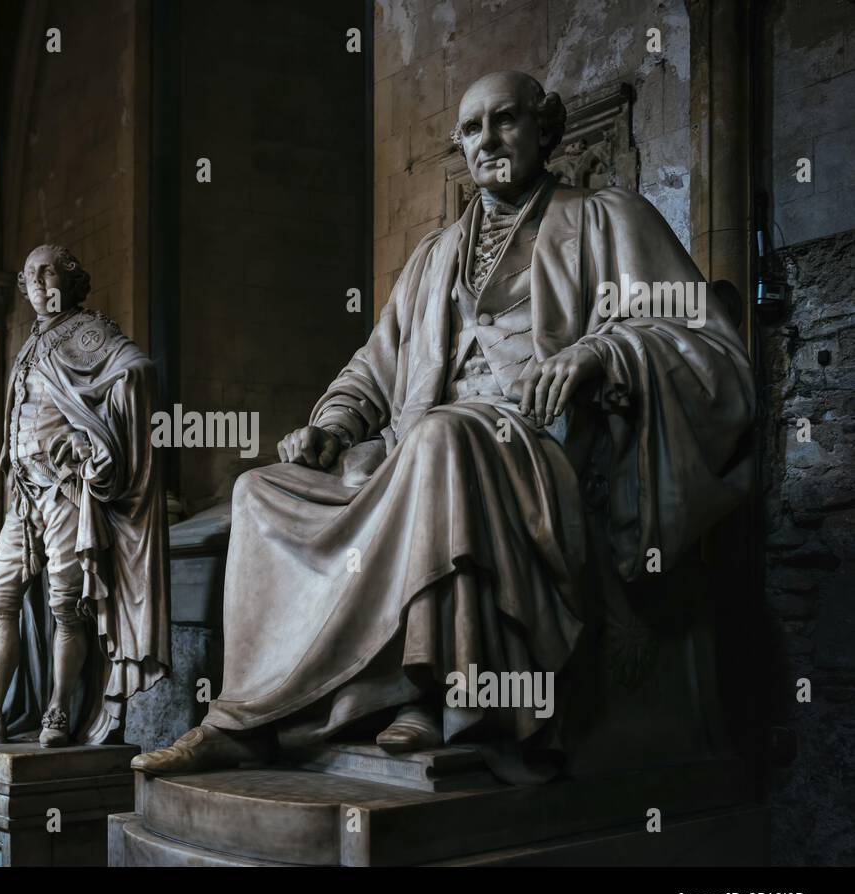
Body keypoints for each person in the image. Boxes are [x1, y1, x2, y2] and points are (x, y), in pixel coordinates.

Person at [133, 71, 754, 778]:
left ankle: (429, 691)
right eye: (471, 128)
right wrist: (333, 426)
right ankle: (246, 719)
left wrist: (600, 351)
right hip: (417, 455)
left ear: (545, 130)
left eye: (506, 120)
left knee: (443, 437)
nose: (486, 139)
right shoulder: (433, 257)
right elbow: (373, 366)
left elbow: (705, 347)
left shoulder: (607, 218)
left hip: (540, 450)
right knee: (261, 493)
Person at [0, 244, 169, 748]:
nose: (40, 284)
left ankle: (59, 712)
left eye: (49, 273)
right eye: (31, 276)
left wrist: (95, 436)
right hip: (24, 495)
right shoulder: (29, 343)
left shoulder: (88, 332)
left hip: (65, 491)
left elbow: (138, 370)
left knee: (68, 603)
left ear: (69, 279)